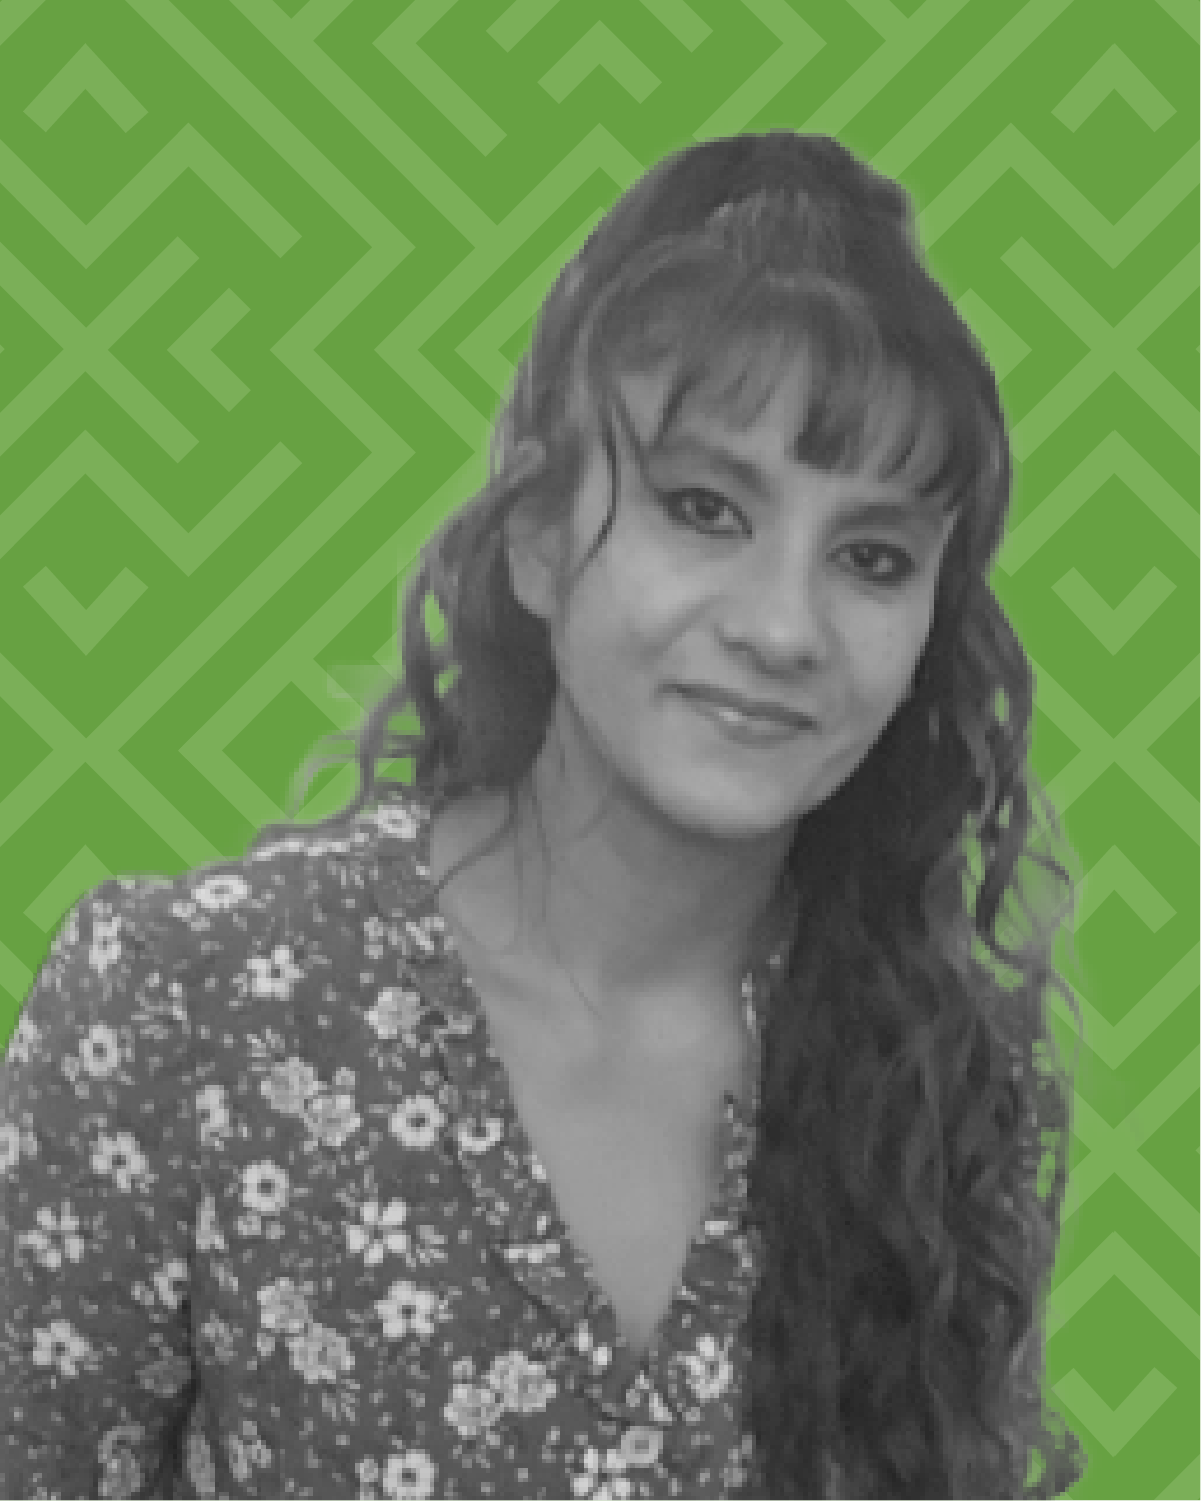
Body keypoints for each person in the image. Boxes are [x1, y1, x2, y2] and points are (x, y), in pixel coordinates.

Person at [0, 130, 1089, 1500]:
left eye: (871, 557)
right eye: (705, 507)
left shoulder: (937, 1081)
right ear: (535, 536)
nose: (783, 628)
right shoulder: (183, 1002)